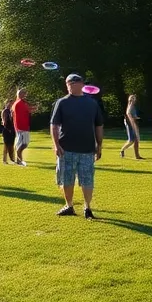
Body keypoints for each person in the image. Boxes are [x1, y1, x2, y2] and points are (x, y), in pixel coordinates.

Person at [50, 74, 104, 218]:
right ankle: (69, 206)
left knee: (87, 179)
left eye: (72, 83)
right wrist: (56, 145)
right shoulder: (61, 102)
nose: (70, 86)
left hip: (87, 149)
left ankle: (87, 207)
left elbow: (99, 125)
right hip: (65, 149)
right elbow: (54, 125)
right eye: (68, 83)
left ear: (81, 84)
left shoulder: (92, 103)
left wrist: (99, 145)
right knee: (66, 179)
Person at [120, 94, 144, 159]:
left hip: (133, 123)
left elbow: (132, 115)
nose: (134, 100)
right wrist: (133, 123)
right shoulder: (130, 106)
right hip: (130, 124)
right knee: (131, 140)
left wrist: (136, 118)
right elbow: (128, 114)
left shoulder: (133, 106)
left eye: (134, 98)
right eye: (133, 98)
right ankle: (122, 150)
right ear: (130, 100)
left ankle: (137, 155)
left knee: (135, 140)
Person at [13, 88, 31, 166]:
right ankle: (19, 159)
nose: (25, 95)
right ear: (19, 94)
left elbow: (27, 111)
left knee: (22, 143)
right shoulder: (19, 103)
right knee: (24, 143)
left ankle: (19, 159)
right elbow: (28, 110)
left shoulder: (19, 103)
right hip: (21, 127)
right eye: (24, 93)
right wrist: (34, 108)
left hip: (22, 126)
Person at [0, 97, 18, 164]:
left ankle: (12, 158)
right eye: (10, 103)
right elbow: (4, 121)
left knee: (11, 145)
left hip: (12, 130)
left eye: (12, 103)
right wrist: (8, 128)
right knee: (6, 145)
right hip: (7, 130)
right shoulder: (5, 111)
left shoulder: (12, 111)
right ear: (7, 103)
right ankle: (4, 160)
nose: (11, 104)